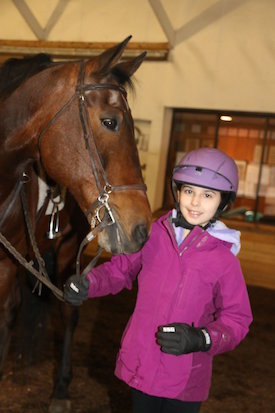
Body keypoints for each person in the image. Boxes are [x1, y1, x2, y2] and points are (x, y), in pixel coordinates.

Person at [64, 147, 253, 413]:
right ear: (177, 192)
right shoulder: (154, 235)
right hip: (142, 363)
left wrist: (201, 338)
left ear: (223, 202)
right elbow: (120, 270)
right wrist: (88, 283)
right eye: (189, 191)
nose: (195, 202)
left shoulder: (225, 261)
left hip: (184, 378)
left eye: (207, 195)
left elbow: (237, 318)